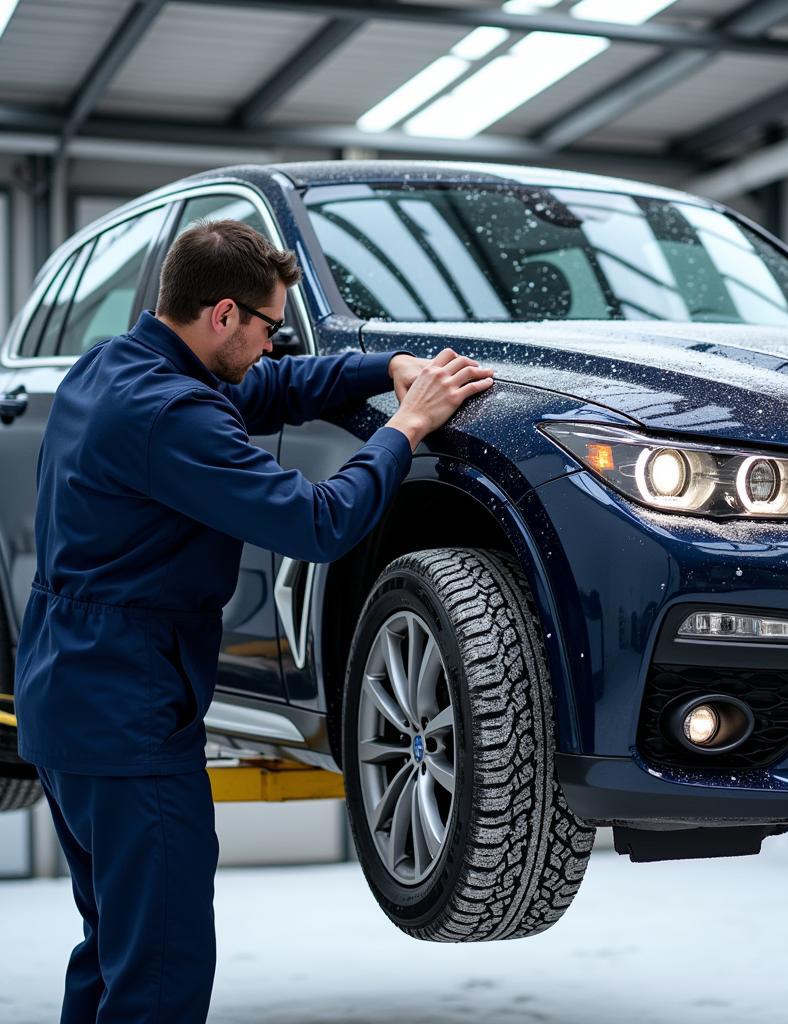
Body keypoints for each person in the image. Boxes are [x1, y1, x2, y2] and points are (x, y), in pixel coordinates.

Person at [13, 218, 494, 1023]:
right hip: (127, 718)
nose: (274, 346)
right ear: (225, 315)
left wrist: (387, 367)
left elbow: (266, 387)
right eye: (269, 327)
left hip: (66, 701)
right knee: (160, 971)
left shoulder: (111, 367)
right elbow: (318, 522)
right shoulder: (173, 416)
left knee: (110, 948)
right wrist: (407, 428)